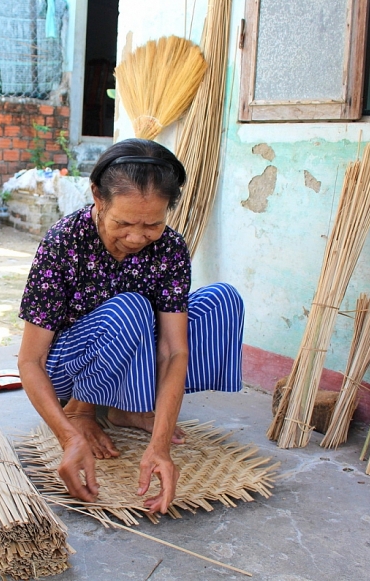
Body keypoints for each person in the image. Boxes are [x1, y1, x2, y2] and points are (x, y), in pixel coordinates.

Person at [17, 138, 244, 515]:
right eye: (123, 222)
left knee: (222, 302)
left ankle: (126, 407)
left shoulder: (170, 248)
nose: (137, 237)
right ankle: (82, 407)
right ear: (97, 198)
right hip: (68, 368)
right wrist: (69, 435)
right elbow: (30, 361)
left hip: (132, 353)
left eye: (152, 224)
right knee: (132, 307)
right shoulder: (63, 243)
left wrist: (160, 448)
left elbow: (175, 350)